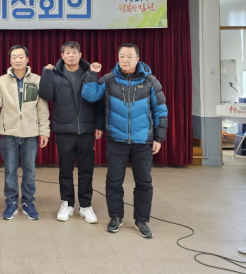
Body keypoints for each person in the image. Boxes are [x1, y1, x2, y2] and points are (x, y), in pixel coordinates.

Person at [81, 43, 168, 239]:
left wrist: (159, 137)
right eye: (121, 56)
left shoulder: (150, 81)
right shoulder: (109, 79)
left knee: (144, 182)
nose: (125, 60)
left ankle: (142, 220)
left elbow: (160, 110)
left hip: (143, 141)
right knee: (114, 181)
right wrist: (92, 74)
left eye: (129, 56)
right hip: (116, 139)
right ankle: (116, 217)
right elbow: (90, 95)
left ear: (138, 58)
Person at [38, 41, 104, 223]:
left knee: (86, 171)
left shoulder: (90, 73)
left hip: (86, 130)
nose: (71, 55)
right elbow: (46, 95)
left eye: (74, 52)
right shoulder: (55, 74)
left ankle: (85, 206)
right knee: (65, 170)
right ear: (62, 56)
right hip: (64, 130)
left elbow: (98, 100)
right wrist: (46, 73)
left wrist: (99, 125)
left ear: (80, 55)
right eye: (67, 52)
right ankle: (66, 203)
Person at [0, 45, 50, 220]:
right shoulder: (1, 81)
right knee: (10, 171)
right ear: (10, 60)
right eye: (14, 57)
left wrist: (44, 131)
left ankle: (28, 202)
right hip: (9, 134)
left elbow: (42, 109)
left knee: (30, 171)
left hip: (30, 135)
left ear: (27, 59)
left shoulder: (37, 80)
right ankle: (11, 202)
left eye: (21, 56)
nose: (17, 60)